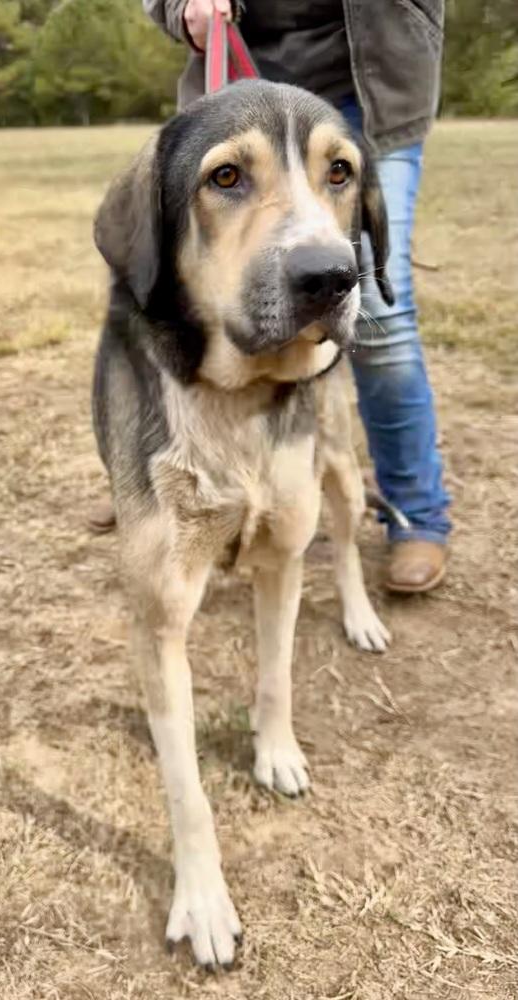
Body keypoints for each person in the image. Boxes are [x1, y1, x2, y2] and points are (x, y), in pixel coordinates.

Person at [140, 0, 451, 593]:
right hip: (241, 83)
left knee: (380, 314)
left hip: (370, 92)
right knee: (196, 302)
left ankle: (417, 512)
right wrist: (184, 9)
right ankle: (188, 488)